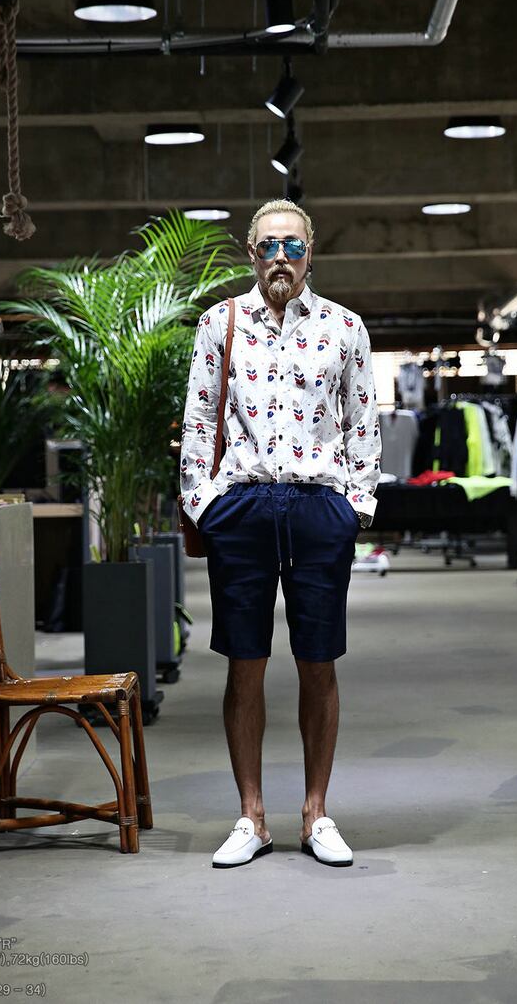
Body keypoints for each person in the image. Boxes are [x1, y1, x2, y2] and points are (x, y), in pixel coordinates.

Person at [180, 198, 381, 868]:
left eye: (293, 246)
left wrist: (355, 507)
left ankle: (316, 813)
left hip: (320, 507)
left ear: (310, 253)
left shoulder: (344, 327)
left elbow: (363, 422)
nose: (281, 258)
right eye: (269, 246)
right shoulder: (220, 323)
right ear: (251, 252)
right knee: (245, 662)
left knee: (318, 660)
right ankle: (252, 816)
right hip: (242, 507)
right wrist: (205, 505)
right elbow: (199, 418)